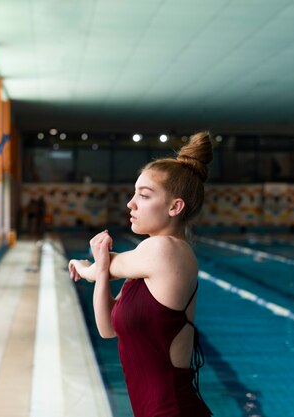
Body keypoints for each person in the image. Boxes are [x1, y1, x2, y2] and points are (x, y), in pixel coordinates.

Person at [68, 132, 213, 417]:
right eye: (134, 193)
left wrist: (90, 267)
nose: (130, 204)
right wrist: (92, 268)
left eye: (144, 195)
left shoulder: (164, 249)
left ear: (175, 206)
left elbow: (106, 267)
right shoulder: (142, 271)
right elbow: (107, 329)